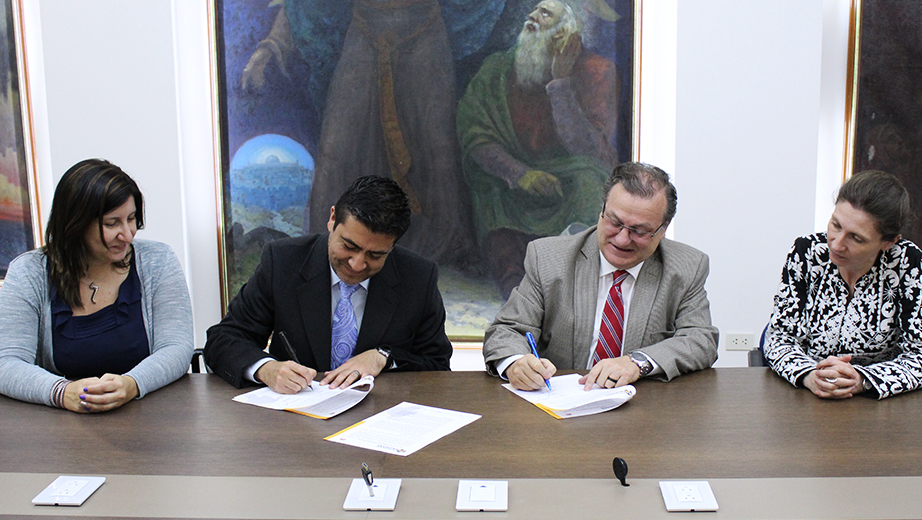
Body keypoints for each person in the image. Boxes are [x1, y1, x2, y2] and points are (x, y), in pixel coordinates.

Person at [204, 175, 452, 393]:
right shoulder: (283, 262)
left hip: (380, 418)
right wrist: (266, 369)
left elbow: (437, 364)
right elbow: (223, 339)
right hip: (294, 418)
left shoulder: (418, 277)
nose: (357, 264)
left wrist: (383, 358)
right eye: (349, 246)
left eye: (375, 255)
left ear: (393, 245)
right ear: (333, 219)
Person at [483, 162, 718, 391]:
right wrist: (516, 363)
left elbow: (700, 339)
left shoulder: (687, 267)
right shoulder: (548, 258)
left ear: (663, 228)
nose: (622, 239)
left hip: (644, 410)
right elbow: (507, 330)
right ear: (602, 211)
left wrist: (637, 362)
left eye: (640, 230)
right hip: (560, 407)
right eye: (615, 222)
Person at [0, 159, 193, 412]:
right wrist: (62, 392)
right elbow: (7, 362)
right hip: (59, 424)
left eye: (132, 219)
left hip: (149, 415)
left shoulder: (159, 261)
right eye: (112, 223)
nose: (127, 233)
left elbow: (177, 348)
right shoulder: (29, 272)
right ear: (76, 224)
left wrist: (132, 384)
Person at [457, 0, 620, 298]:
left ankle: (576, 289)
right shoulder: (496, 69)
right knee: (490, 188)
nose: (532, 16)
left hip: (566, 179)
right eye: (534, 10)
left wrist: (560, 82)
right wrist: (521, 174)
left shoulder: (598, 70)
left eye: (545, 13)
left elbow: (590, 151)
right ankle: (516, 291)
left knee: (590, 180)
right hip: (514, 180)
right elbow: (475, 135)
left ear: (564, 34)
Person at [764, 170, 922, 400]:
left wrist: (862, 379)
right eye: (835, 225)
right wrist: (810, 376)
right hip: (809, 395)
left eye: (856, 238)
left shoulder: (909, 263)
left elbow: (919, 355)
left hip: (878, 404)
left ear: (889, 242)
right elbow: (779, 337)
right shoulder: (806, 252)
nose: (837, 245)